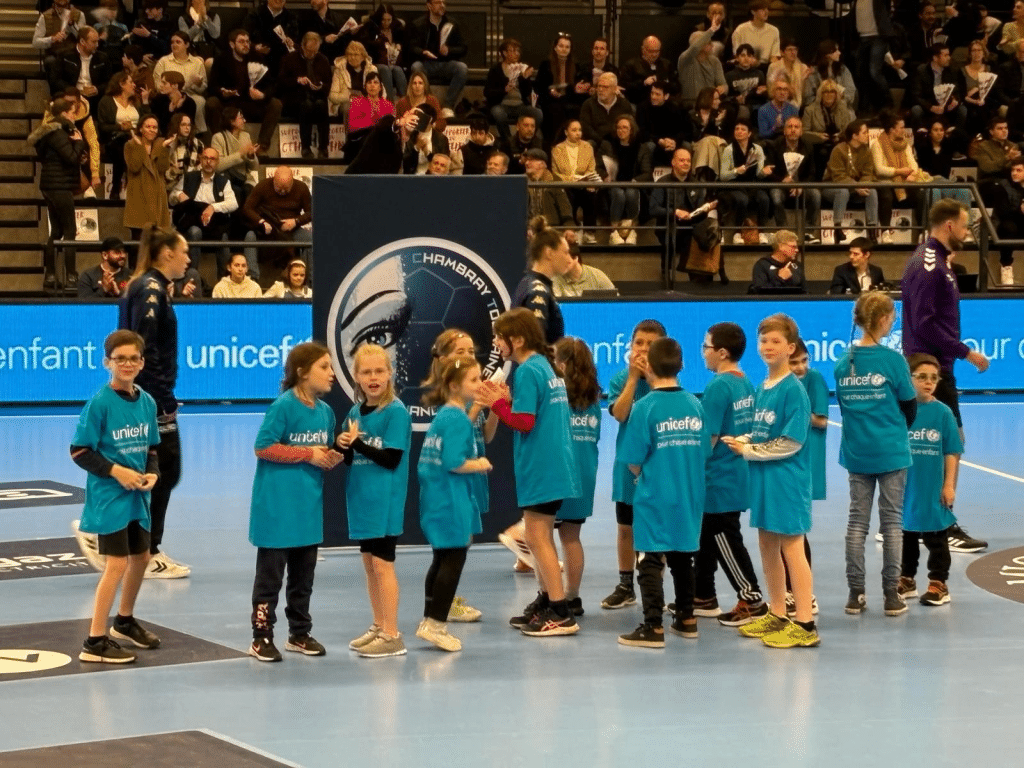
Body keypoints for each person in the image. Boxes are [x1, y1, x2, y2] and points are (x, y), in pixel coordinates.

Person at [474, 309, 580, 637]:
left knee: (538, 538)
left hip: (542, 468)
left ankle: (560, 611)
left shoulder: (528, 371)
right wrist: (507, 400)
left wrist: (497, 404)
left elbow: (524, 422)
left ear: (517, 339)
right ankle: (547, 600)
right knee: (537, 537)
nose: (495, 342)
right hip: (553, 465)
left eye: (499, 336)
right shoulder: (543, 366)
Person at [721, 313, 817, 649]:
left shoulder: (794, 391)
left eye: (776, 341)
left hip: (786, 482)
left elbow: (791, 442)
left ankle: (804, 623)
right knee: (767, 545)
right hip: (763, 481)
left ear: (791, 348)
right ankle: (777, 613)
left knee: (792, 547)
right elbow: (763, 431)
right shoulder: (763, 387)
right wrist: (744, 439)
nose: (768, 346)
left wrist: (749, 450)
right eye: (764, 340)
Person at [902, 199, 990, 554]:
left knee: (941, 442)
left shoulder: (937, 261)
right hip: (932, 369)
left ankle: (907, 517)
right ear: (950, 225)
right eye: (965, 226)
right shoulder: (930, 265)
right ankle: (940, 523)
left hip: (937, 367)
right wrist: (965, 351)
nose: (967, 233)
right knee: (949, 443)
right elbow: (924, 323)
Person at [71, 329, 161, 664]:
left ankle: (124, 621)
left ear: (142, 362)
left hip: (138, 496)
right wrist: (115, 471)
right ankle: (94, 641)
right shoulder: (100, 403)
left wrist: (152, 472)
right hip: (110, 496)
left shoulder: (147, 402)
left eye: (133, 358)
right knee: (117, 564)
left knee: (142, 557)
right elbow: (79, 451)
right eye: (119, 358)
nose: (127, 364)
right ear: (107, 362)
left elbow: (152, 448)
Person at [247, 342, 341, 662]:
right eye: (324, 367)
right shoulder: (284, 406)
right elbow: (263, 447)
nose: (331, 373)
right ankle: (261, 636)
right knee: (270, 580)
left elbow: (319, 454)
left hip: (307, 510)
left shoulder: (326, 413)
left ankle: (299, 633)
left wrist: (329, 457)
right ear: (302, 372)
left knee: (303, 580)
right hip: (277, 511)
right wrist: (307, 453)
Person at [617, 337, 709, 648]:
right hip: (690, 494)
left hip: (655, 495)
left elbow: (633, 460)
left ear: (649, 368)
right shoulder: (695, 404)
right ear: (681, 366)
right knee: (683, 556)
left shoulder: (645, 408)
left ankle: (652, 625)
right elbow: (704, 450)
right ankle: (686, 618)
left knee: (650, 557)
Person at [834, 292, 917, 617]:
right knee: (892, 523)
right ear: (883, 320)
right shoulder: (893, 361)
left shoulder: (843, 363)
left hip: (857, 453)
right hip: (891, 451)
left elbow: (845, 409)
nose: (893, 321)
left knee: (857, 522)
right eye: (892, 317)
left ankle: (855, 594)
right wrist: (894, 430)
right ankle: (891, 596)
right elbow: (909, 406)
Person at [117, 224, 191, 578]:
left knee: (154, 470)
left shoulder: (149, 286)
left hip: (150, 396)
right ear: (167, 253)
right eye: (184, 252)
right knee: (164, 469)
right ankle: (146, 551)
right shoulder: (150, 289)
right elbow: (143, 348)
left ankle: (129, 541)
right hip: (153, 399)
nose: (188, 259)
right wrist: (160, 399)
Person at [337, 343, 412, 658]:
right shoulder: (355, 413)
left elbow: (391, 459)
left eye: (379, 371)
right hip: (361, 499)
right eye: (366, 372)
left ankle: (392, 634)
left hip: (385, 501)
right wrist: (343, 446)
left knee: (383, 565)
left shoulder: (395, 412)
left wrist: (357, 444)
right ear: (356, 376)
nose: (373, 378)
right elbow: (349, 460)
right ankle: (379, 625)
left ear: (390, 373)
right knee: (369, 565)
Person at [414, 355, 492, 652]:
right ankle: (436, 624)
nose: (479, 384)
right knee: (453, 559)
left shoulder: (444, 416)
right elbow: (454, 462)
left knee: (441, 558)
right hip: (450, 500)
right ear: (454, 386)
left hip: (435, 499)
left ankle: (429, 619)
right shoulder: (458, 419)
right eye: (473, 380)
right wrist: (480, 463)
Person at [695, 322, 768, 627]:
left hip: (718, 479)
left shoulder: (718, 387)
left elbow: (708, 439)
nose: (703, 352)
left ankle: (751, 598)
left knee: (723, 537)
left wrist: (688, 468)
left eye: (706, 347)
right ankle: (703, 595)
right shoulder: (744, 382)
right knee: (705, 536)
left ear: (722, 352)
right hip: (736, 473)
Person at [602, 319, 666, 610]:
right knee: (625, 527)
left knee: (655, 528)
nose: (643, 349)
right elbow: (619, 414)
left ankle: (654, 587)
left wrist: (652, 378)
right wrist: (631, 379)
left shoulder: (665, 380)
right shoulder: (620, 379)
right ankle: (625, 584)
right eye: (639, 343)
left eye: (650, 345)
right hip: (627, 466)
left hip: (658, 466)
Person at [899, 353, 962, 607]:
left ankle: (938, 583)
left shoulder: (943, 413)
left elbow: (952, 451)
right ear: (909, 378)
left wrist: (949, 485)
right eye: (922, 377)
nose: (928, 382)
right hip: (906, 487)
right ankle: (906, 579)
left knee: (936, 537)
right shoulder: (901, 410)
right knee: (906, 535)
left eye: (934, 378)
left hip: (932, 488)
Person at [551, 337, 601, 616]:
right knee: (571, 537)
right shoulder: (593, 396)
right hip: (585, 474)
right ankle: (573, 596)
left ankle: (550, 596)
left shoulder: (557, 396)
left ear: (563, 363)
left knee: (542, 537)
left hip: (559, 474)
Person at [27, 96, 86, 294]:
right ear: (64, 113)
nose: (75, 116)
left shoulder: (47, 133)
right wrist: (79, 143)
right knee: (69, 231)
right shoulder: (59, 133)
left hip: (50, 184)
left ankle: (51, 275)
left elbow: (51, 158)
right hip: (60, 185)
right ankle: (71, 276)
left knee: (57, 231)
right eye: (73, 112)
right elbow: (70, 158)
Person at [648, 147, 720, 281]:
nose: (686, 163)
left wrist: (706, 208)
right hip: (669, 224)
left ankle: (708, 274)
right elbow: (653, 209)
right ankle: (667, 272)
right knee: (673, 234)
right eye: (682, 160)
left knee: (712, 231)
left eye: (688, 161)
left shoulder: (696, 183)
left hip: (692, 225)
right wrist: (675, 212)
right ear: (673, 162)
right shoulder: (663, 182)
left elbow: (700, 212)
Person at [206, 29, 283, 153]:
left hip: (252, 104)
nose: (246, 45)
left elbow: (271, 85)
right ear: (232, 44)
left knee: (275, 103)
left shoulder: (257, 58)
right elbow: (212, 87)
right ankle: (222, 143)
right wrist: (223, 92)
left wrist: (262, 95)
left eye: (247, 41)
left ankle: (261, 146)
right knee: (211, 102)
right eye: (241, 42)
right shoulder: (222, 59)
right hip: (230, 104)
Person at [242, 166, 312, 281]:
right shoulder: (263, 186)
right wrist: (261, 221)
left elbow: (312, 212)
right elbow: (247, 208)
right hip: (266, 227)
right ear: (273, 180)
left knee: (310, 240)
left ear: (292, 181)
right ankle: (252, 278)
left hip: (291, 228)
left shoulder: (301, 187)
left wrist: (296, 221)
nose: (283, 191)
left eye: (286, 188)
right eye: (279, 188)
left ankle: (310, 281)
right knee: (250, 236)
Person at [171, 146, 235, 270]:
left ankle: (225, 278)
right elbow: (171, 197)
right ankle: (192, 274)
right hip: (192, 223)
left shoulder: (223, 181)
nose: (208, 161)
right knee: (195, 231)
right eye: (205, 158)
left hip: (213, 224)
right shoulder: (189, 177)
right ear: (200, 160)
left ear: (217, 162)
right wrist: (178, 195)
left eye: (212, 159)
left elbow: (233, 204)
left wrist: (213, 207)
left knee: (224, 237)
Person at [510, 227, 572, 346]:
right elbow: (535, 346)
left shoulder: (527, 283)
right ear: (549, 253)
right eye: (565, 252)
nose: (569, 259)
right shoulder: (538, 292)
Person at [823, 120, 880, 245]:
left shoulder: (866, 150)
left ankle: (872, 231)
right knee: (843, 191)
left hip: (854, 188)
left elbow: (868, 173)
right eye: (864, 132)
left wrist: (862, 186)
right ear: (854, 136)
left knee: (872, 191)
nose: (868, 135)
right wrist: (856, 186)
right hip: (833, 187)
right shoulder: (839, 150)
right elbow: (838, 176)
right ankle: (837, 229)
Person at [765, 116, 821, 241]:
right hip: (781, 185)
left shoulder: (808, 146)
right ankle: (784, 232)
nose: (793, 130)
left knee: (816, 195)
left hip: (800, 186)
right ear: (784, 131)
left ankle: (808, 233)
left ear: (801, 131)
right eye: (789, 127)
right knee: (776, 196)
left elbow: (812, 173)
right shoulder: (774, 145)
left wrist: (801, 185)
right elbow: (769, 171)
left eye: (796, 127)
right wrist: (782, 180)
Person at [277, 31, 332, 158]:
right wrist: (297, 80)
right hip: (295, 98)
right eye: (309, 51)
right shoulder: (290, 58)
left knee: (322, 105)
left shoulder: (323, 59)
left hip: (317, 96)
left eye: (315, 51)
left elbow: (328, 84)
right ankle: (306, 147)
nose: (312, 54)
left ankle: (323, 148)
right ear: (302, 46)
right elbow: (281, 82)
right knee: (306, 105)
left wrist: (321, 86)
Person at [869, 110, 921, 243]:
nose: (904, 130)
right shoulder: (877, 144)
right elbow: (879, 170)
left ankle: (922, 231)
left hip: (903, 180)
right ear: (892, 129)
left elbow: (913, 164)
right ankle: (885, 232)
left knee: (920, 194)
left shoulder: (905, 144)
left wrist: (912, 174)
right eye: (901, 127)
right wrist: (899, 171)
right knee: (886, 195)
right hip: (884, 181)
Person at [409, 0, 468, 115]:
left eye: (443, 3)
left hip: (446, 63)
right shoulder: (418, 24)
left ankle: (448, 106)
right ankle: (430, 103)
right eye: (437, 2)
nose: (442, 5)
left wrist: (449, 50)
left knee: (462, 68)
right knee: (416, 67)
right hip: (426, 63)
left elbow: (463, 48)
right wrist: (423, 52)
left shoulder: (452, 23)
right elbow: (411, 47)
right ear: (429, 6)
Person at [96, 71, 147, 201]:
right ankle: (118, 187)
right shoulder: (106, 101)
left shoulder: (136, 101)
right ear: (121, 84)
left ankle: (126, 188)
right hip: (114, 139)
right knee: (123, 145)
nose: (134, 85)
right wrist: (120, 127)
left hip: (137, 138)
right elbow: (103, 127)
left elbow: (148, 120)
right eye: (130, 82)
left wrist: (146, 102)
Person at [720, 119, 771, 240]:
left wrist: (764, 172)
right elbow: (723, 176)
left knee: (764, 198)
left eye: (743, 129)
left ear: (749, 133)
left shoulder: (757, 149)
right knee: (742, 199)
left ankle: (761, 232)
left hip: (752, 185)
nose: (739, 131)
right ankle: (737, 233)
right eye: (737, 129)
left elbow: (759, 174)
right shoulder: (729, 150)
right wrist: (736, 171)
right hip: (734, 186)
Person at [551, 119, 601, 242]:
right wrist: (571, 179)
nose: (578, 133)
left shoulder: (587, 147)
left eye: (579, 130)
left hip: (583, 184)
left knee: (591, 194)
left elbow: (591, 169)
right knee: (568, 195)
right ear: (566, 132)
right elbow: (556, 173)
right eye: (574, 130)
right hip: (567, 185)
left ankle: (589, 232)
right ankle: (573, 230)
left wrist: (587, 181)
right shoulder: (558, 149)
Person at [123, 114, 172, 239]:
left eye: (154, 127)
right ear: (141, 129)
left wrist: (164, 148)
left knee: (157, 245)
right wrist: (139, 146)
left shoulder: (161, 145)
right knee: (138, 243)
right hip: (138, 201)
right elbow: (134, 167)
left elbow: (163, 168)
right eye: (148, 127)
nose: (151, 130)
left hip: (157, 201)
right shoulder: (131, 145)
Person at [485, 38, 540, 143]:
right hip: (502, 105)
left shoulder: (522, 69)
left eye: (518, 51)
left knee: (538, 113)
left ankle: (527, 139)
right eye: (513, 51)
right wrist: (504, 90)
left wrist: (525, 78)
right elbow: (487, 92)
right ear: (504, 53)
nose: (517, 54)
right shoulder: (496, 69)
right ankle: (509, 141)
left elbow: (527, 93)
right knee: (498, 113)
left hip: (520, 106)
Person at [534, 33, 589, 138]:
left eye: (567, 47)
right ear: (555, 48)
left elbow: (576, 86)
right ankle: (555, 141)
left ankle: (574, 140)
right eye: (561, 46)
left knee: (576, 109)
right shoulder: (545, 65)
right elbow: (539, 86)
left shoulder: (576, 66)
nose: (564, 49)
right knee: (556, 110)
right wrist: (550, 91)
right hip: (550, 99)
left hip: (569, 98)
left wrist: (579, 87)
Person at [153, 31, 207, 133]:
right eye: (172, 42)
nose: (174, 45)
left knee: (199, 101)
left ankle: (197, 132)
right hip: (167, 96)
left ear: (187, 44)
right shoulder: (163, 61)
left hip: (191, 94)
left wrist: (197, 84)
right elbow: (157, 85)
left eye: (178, 42)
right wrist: (173, 89)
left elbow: (203, 88)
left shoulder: (197, 63)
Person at [52, 26, 110, 112]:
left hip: (95, 98)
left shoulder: (103, 58)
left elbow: (109, 81)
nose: (97, 45)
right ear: (82, 41)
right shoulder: (65, 56)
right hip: (71, 96)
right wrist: (74, 91)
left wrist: (97, 89)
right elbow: (55, 79)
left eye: (97, 41)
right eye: (94, 42)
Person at [910, 44, 966, 131]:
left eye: (949, 55)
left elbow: (958, 90)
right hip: (928, 106)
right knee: (916, 110)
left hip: (947, 107)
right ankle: (921, 135)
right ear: (935, 58)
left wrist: (956, 100)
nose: (949, 58)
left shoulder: (953, 70)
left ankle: (956, 134)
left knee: (962, 110)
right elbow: (915, 95)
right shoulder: (921, 70)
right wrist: (930, 107)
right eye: (945, 55)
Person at [359, 3, 408, 102]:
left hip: (393, 62)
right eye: (383, 20)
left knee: (398, 70)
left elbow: (405, 45)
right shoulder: (371, 27)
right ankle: (389, 103)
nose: (386, 23)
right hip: (376, 61)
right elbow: (366, 45)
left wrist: (399, 46)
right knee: (385, 69)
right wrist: (379, 43)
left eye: (389, 20)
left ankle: (405, 102)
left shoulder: (397, 28)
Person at [211, 105, 259, 205]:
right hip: (226, 179)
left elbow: (254, 167)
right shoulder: (218, 138)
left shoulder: (246, 136)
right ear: (231, 121)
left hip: (244, 179)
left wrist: (251, 156)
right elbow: (217, 166)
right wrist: (240, 154)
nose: (244, 120)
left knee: (249, 192)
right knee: (235, 192)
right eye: (241, 118)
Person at [637, 81, 689, 167]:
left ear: (666, 96)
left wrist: (675, 142)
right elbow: (643, 132)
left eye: (657, 94)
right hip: (653, 141)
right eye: (652, 93)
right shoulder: (643, 108)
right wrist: (659, 141)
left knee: (686, 145)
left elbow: (685, 130)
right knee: (649, 146)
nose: (653, 97)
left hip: (672, 141)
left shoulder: (676, 108)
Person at [677, 22, 726, 109]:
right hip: (692, 103)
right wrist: (711, 30)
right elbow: (695, 47)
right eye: (708, 42)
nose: (712, 45)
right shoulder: (685, 59)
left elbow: (723, 84)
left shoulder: (714, 61)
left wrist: (723, 88)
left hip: (711, 102)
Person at [579, 72, 633, 147]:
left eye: (605, 87)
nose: (601, 89)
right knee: (588, 144)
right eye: (599, 86)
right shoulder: (588, 104)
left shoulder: (624, 104)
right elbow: (586, 128)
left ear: (615, 89)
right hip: (597, 142)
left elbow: (630, 126)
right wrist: (601, 141)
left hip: (618, 141)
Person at [328, 40, 376, 123]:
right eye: (350, 54)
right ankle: (351, 132)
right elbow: (332, 95)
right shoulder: (339, 69)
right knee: (349, 107)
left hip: (366, 101)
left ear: (362, 56)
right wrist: (348, 97)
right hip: (346, 103)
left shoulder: (372, 69)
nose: (352, 57)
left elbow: (381, 91)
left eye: (356, 55)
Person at [244, 0, 299, 73]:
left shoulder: (291, 17)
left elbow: (296, 40)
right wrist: (255, 47)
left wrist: (291, 42)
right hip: (259, 63)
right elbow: (245, 37)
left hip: (283, 64)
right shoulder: (254, 14)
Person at [620, 35, 674, 106]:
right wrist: (643, 83)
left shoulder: (666, 64)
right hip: (639, 104)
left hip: (663, 105)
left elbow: (675, 86)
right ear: (643, 49)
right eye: (651, 51)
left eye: (657, 51)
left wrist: (664, 82)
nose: (654, 54)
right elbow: (624, 88)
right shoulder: (631, 65)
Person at [524, 152, 574, 229]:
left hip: (549, 227)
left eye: (531, 160)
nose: (527, 163)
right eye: (526, 160)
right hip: (527, 227)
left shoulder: (554, 180)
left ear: (542, 164)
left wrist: (569, 227)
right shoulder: (522, 181)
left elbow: (564, 206)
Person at [803, 40, 856, 110]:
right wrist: (824, 101)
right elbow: (808, 97)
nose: (839, 53)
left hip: (840, 106)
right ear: (827, 54)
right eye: (835, 51)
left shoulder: (843, 69)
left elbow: (850, 90)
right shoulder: (814, 72)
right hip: (819, 108)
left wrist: (838, 100)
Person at [994, 158, 1024, 285]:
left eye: (1019, 170)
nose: (1014, 173)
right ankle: (1006, 267)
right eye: (1013, 170)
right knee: (1008, 227)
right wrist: (1020, 210)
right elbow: (1003, 213)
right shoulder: (1003, 186)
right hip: (1006, 224)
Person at [724, 44, 768, 124]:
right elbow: (726, 96)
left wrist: (761, 92)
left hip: (755, 105)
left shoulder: (759, 74)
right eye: (743, 55)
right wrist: (735, 99)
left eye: (749, 55)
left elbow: (763, 93)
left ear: (753, 58)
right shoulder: (729, 75)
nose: (746, 58)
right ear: (737, 57)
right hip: (737, 106)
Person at [731, 0, 780, 66]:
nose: (766, 12)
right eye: (762, 9)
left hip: (765, 66)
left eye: (767, 9)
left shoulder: (774, 31)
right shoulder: (741, 29)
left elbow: (774, 57)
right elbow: (736, 54)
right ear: (753, 11)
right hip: (745, 65)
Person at [163, 112, 202, 191]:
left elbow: (200, 166)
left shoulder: (197, 144)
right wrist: (174, 171)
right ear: (176, 126)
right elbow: (164, 172)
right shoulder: (169, 144)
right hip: (172, 187)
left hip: (193, 186)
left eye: (189, 125)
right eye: (183, 125)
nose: (187, 128)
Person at [767, 38, 809, 110]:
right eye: (790, 50)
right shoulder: (774, 67)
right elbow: (771, 91)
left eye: (795, 49)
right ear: (782, 52)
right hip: (778, 103)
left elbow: (805, 94)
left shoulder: (803, 68)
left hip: (799, 105)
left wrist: (803, 81)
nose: (793, 52)